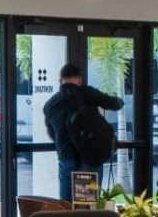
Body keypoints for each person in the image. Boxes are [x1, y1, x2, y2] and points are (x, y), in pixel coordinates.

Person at [41, 62, 124, 195]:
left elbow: (52, 134)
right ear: (79, 79)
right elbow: (113, 104)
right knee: (86, 203)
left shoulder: (50, 105)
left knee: (65, 204)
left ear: (60, 80)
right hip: (89, 157)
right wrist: (120, 101)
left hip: (66, 156)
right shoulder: (87, 93)